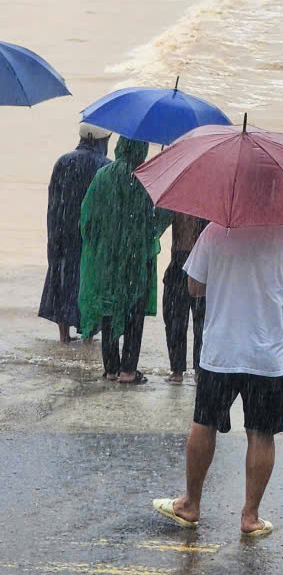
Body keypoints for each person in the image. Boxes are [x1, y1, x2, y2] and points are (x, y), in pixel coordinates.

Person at [152, 221, 283, 536]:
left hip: (221, 351)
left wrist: (226, 283)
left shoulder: (215, 231)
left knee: (205, 423)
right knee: (262, 433)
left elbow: (194, 287)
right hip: (267, 355)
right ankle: (250, 517)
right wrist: (276, 321)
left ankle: (190, 504)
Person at [77, 137, 173, 384]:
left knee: (109, 307)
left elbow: (87, 219)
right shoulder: (148, 178)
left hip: (107, 259)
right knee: (134, 310)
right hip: (137, 258)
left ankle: (111, 368)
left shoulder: (102, 176)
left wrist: (102, 244)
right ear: (142, 149)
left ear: (120, 146)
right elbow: (162, 216)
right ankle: (128, 370)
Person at [38, 123, 111, 343]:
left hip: (63, 230)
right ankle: (88, 335)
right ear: (103, 140)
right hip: (93, 235)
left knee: (63, 278)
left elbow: (53, 202)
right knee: (91, 282)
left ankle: (64, 335)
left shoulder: (63, 161)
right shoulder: (106, 166)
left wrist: (53, 236)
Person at [163, 213, 208, 383]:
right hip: (202, 260)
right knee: (200, 320)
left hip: (181, 259)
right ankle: (199, 370)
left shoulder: (178, 202)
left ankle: (177, 371)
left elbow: (159, 224)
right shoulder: (211, 203)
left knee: (177, 318)